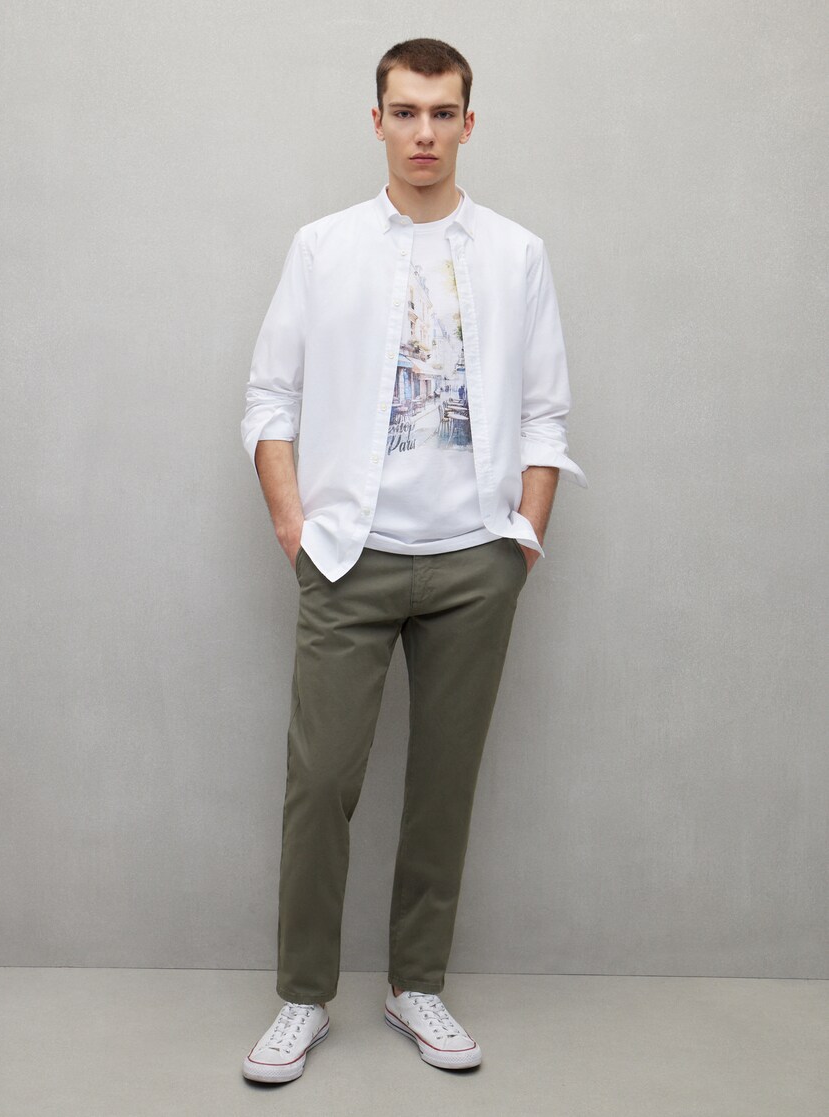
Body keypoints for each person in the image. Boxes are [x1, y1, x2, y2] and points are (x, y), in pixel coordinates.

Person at [240, 37, 588, 1083]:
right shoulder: (324, 247)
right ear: (379, 121)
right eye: (406, 112)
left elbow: (546, 412)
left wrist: (521, 538)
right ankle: (303, 996)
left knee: (444, 785)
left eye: (442, 113)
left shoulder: (516, 254)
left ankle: (416, 984)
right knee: (320, 782)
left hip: (476, 561)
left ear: (468, 124)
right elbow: (270, 398)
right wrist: (296, 527)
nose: (424, 132)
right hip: (349, 557)